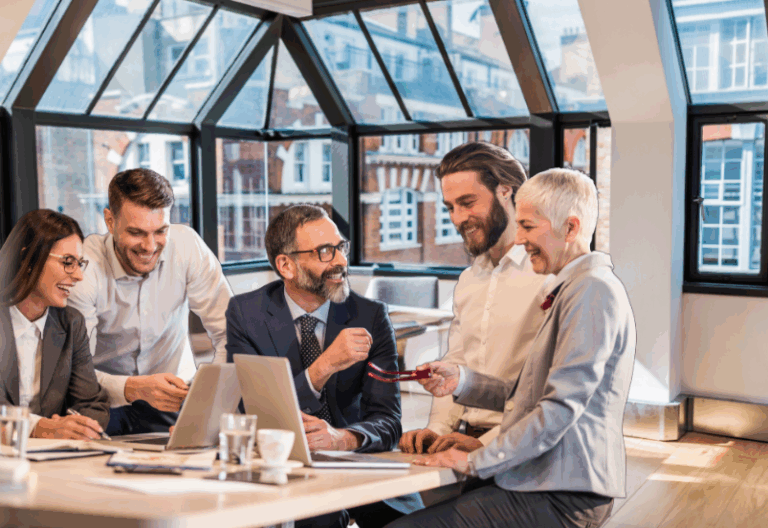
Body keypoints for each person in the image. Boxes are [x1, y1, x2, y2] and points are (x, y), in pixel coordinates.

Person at [388, 168, 636, 528]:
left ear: (570, 228)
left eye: (528, 226)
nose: (519, 239)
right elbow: (528, 396)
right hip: (540, 481)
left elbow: (559, 409)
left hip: (561, 495)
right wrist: (462, 382)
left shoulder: (592, 291)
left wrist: (474, 461)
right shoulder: (572, 288)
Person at [226, 204, 414, 528]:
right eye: (325, 252)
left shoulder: (371, 316)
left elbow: (388, 422)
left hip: (359, 470)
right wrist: (323, 367)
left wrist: (341, 438)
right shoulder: (247, 314)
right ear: (286, 265)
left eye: (341, 247)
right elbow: (252, 412)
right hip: (283, 467)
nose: (341, 260)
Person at [398, 142, 551, 456]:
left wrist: (485, 443)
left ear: (507, 191)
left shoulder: (548, 277)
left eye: (468, 202)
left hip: (522, 447)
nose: (458, 218)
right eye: (451, 207)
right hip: (461, 442)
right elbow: (455, 365)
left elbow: (552, 393)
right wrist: (436, 430)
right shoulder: (469, 280)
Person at [67, 168, 233, 436]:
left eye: (160, 231)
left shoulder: (187, 247)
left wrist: (207, 398)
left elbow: (230, 333)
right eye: (136, 232)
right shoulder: (84, 270)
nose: (149, 246)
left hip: (178, 404)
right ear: (110, 221)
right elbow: (73, 370)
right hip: (103, 404)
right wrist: (131, 388)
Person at [0, 209, 109, 439]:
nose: (79, 276)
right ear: (27, 258)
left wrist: (77, 425)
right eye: (68, 262)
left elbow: (92, 404)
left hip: (51, 459)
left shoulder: (71, 323)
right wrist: (38, 428)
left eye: (80, 263)